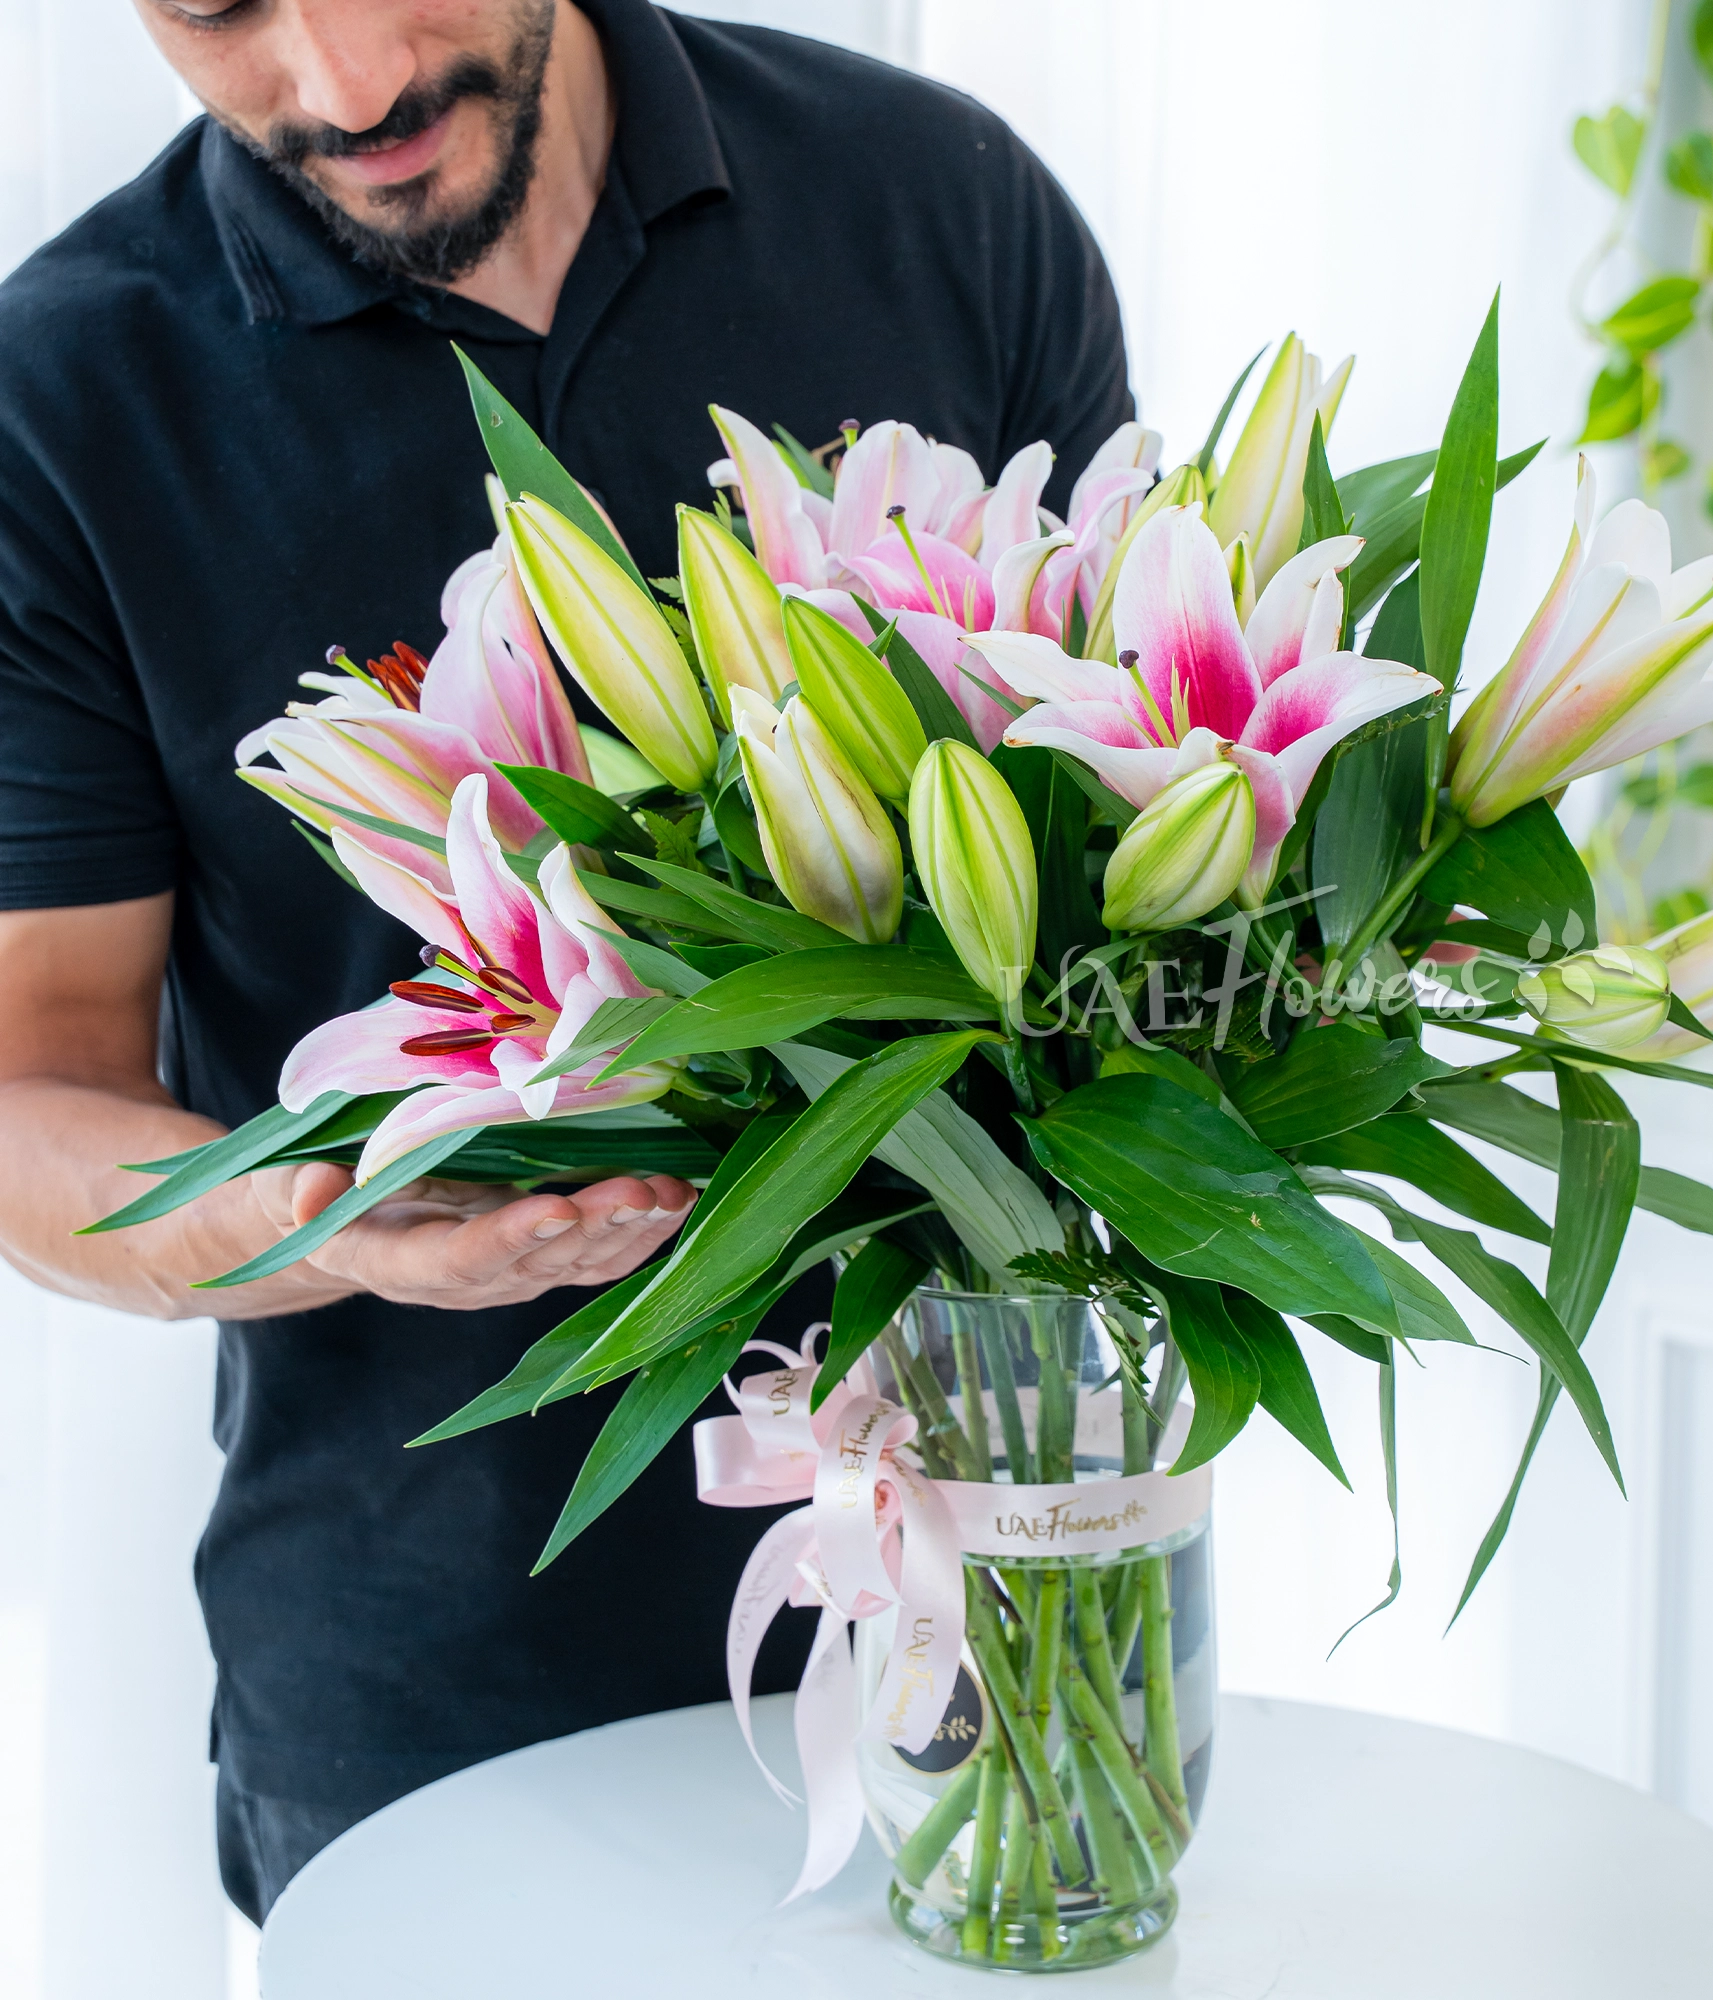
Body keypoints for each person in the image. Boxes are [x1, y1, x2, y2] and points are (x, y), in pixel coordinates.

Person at [0, 0, 1131, 1922]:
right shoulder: (64, 399)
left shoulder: (938, 204)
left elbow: (1137, 827)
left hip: (1010, 1632)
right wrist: (316, 1220)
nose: (349, 85)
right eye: (218, 6)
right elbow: (35, 1085)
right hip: (428, 1710)